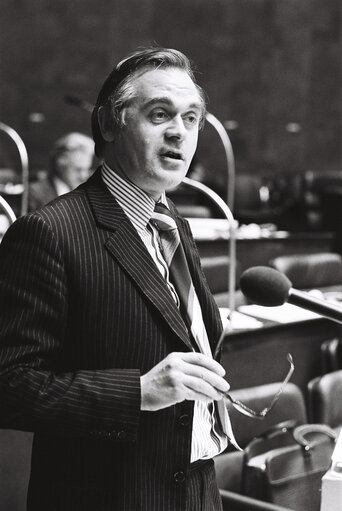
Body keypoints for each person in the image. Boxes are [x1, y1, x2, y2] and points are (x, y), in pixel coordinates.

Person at [0, 47, 237, 511]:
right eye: (159, 114)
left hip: (195, 493)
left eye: (191, 119)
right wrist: (138, 392)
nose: (179, 132)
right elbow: (10, 385)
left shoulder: (174, 225)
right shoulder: (48, 232)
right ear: (109, 125)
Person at [28, 131, 95, 211]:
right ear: (60, 165)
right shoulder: (35, 193)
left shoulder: (89, 195)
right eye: (78, 170)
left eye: (87, 169)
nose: (84, 176)